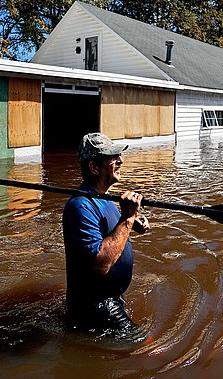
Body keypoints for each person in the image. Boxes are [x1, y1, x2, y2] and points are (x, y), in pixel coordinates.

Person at [62, 132, 150, 334]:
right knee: (148, 348)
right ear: (94, 167)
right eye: (112, 157)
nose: (121, 161)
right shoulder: (80, 206)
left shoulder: (104, 196)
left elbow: (107, 231)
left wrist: (131, 223)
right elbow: (100, 263)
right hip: (96, 306)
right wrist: (127, 219)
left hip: (110, 299)